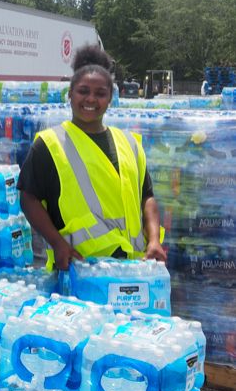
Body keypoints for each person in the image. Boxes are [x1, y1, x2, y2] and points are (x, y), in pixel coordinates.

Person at [17, 44, 166, 271]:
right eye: (83, 91)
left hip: (133, 270)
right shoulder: (50, 144)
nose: (91, 99)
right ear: (70, 94)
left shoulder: (130, 144)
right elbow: (29, 198)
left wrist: (154, 240)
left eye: (100, 94)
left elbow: (147, 197)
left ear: (110, 98)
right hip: (79, 269)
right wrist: (57, 243)